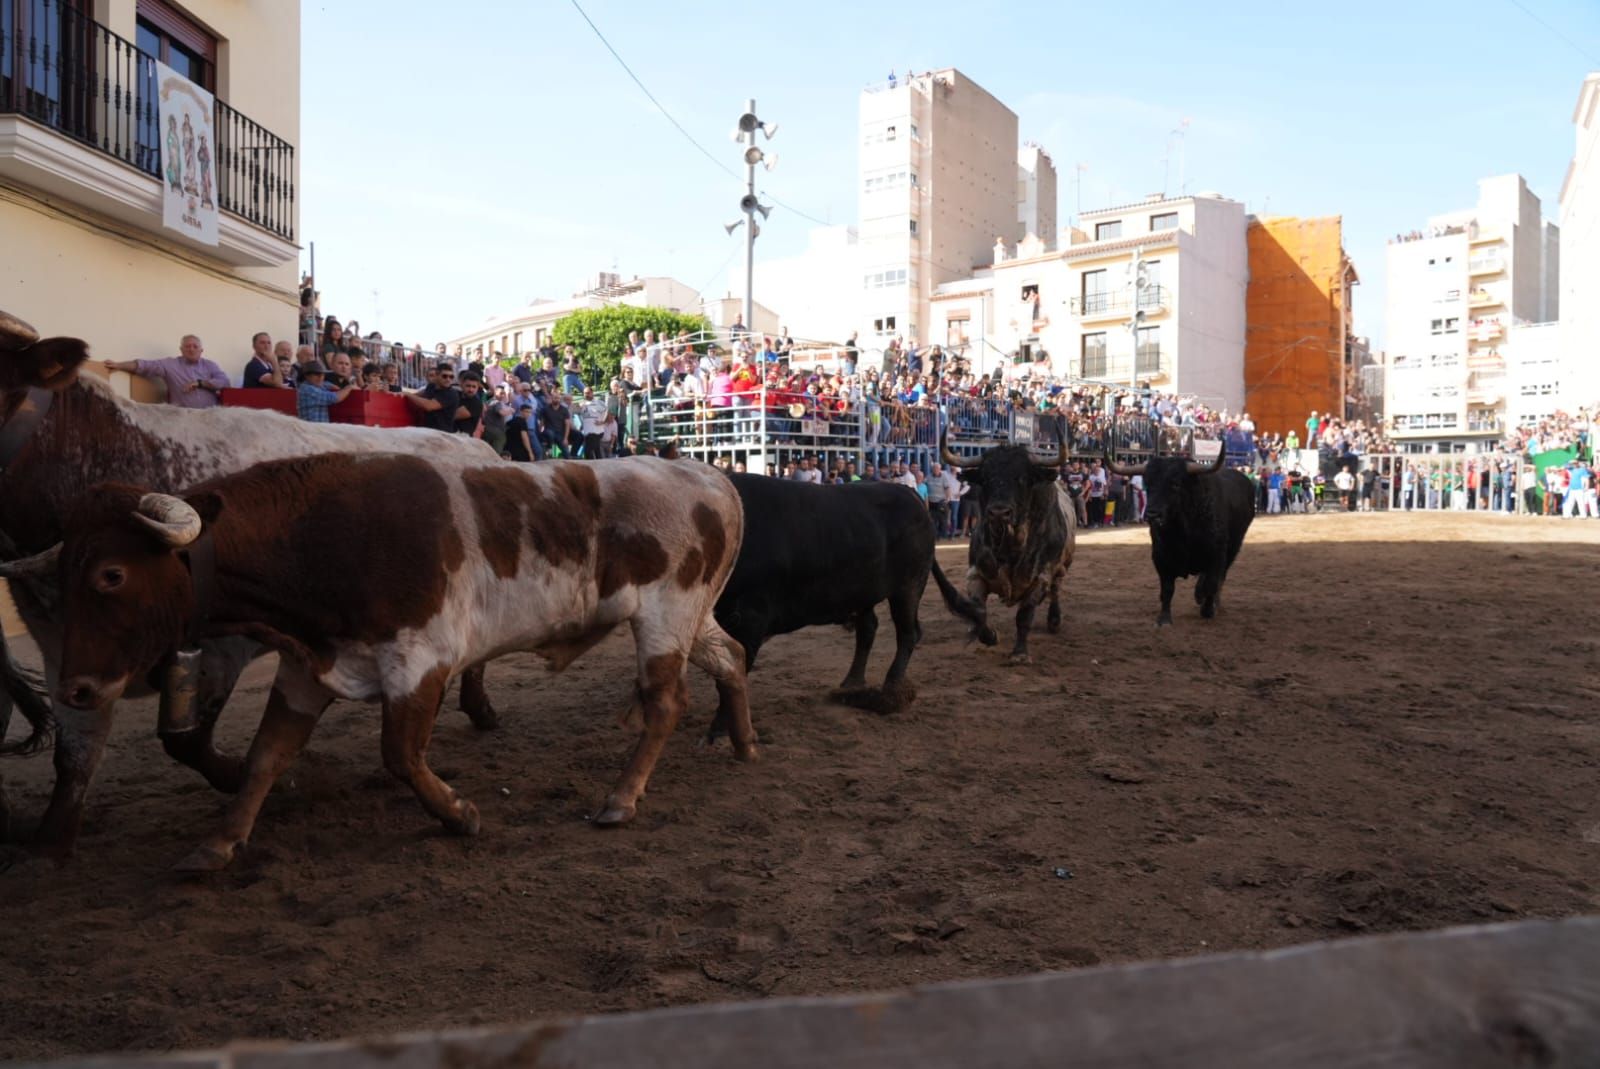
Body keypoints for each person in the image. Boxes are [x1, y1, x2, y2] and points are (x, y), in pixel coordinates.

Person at [105, 335, 229, 409]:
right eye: (187, 346)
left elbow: (224, 382)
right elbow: (144, 365)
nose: (191, 349)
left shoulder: (210, 365)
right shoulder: (170, 364)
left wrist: (200, 383)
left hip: (210, 417)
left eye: (195, 346)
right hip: (183, 418)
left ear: (201, 350)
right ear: (181, 349)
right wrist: (118, 365)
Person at [404, 361, 464, 433]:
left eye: (451, 377)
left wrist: (408, 394)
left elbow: (429, 406)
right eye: (444, 376)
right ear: (436, 375)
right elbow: (418, 395)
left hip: (443, 434)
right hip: (428, 431)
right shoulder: (431, 386)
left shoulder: (451, 393)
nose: (448, 379)